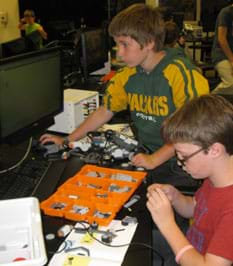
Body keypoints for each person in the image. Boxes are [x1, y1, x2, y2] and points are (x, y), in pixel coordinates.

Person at [40, 4, 209, 185]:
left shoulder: (181, 73)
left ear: (150, 42)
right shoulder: (128, 75)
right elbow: (105, 110)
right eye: (116, 44)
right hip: (147, 154)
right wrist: (66, 141)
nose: (119, 52)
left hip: (182, 162)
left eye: (124, 44)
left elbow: (193, 127)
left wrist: (155, 159)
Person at [147, 94, 233, 265]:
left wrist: (167, 224)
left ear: (214, 150)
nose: (180, 163)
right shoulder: (215, 177)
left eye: (184, 156)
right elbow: (196, 208)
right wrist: (176, 197)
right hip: (188, 248)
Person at [211, 1, 233, 93]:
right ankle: (207, 101)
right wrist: (232, 60)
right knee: (230, 83)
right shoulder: (226, 13)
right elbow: (221, 39)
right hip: (221, 54)